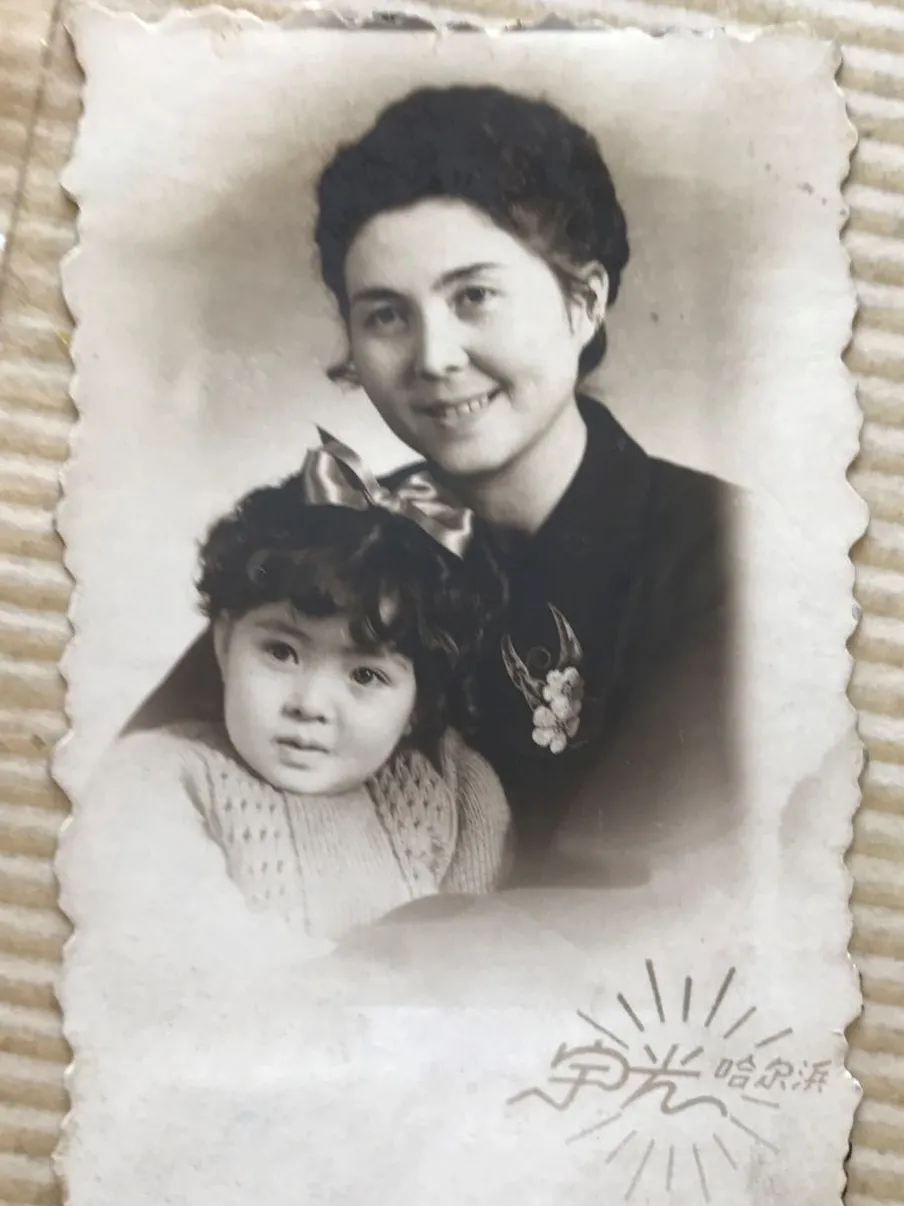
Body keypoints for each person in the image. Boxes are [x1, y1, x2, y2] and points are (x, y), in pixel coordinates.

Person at [132, 83, 739, 883]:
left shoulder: (727, 556)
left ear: (584, 302)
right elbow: (138, 786)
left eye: (474, 297)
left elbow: (623, 900)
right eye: (387, 314)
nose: (433, 357)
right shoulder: (349, 524)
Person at [69, 438, 512, 945]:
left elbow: (470, 965)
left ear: (421, 701)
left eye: (365, 676)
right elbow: (196, 961)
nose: (309, 705)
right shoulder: (158, 776)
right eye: (281, 653)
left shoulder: (459, 791)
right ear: (225, 645)